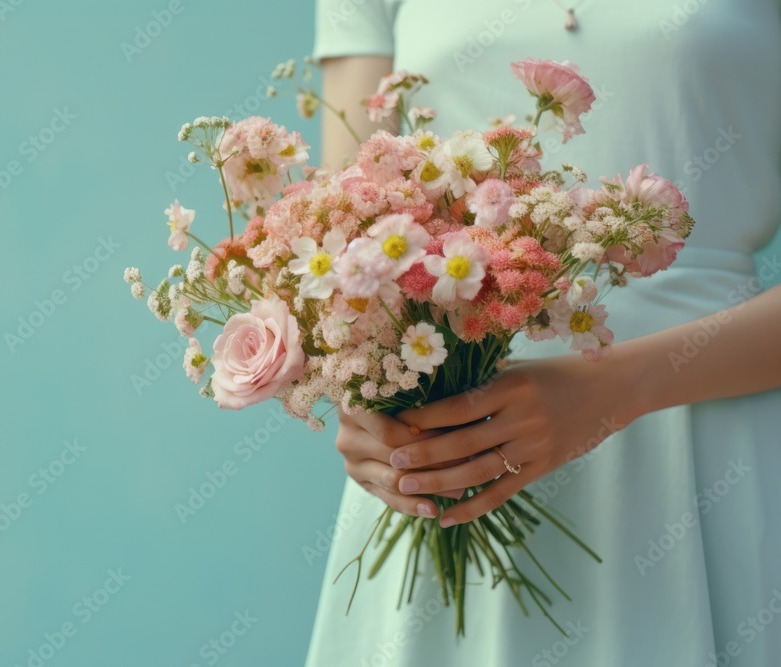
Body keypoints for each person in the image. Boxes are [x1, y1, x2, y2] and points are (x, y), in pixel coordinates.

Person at [305, 1, 781, 665]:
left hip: (706, 447)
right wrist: (365, 402)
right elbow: (348, 226)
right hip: (446, 443)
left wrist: (614, 388)